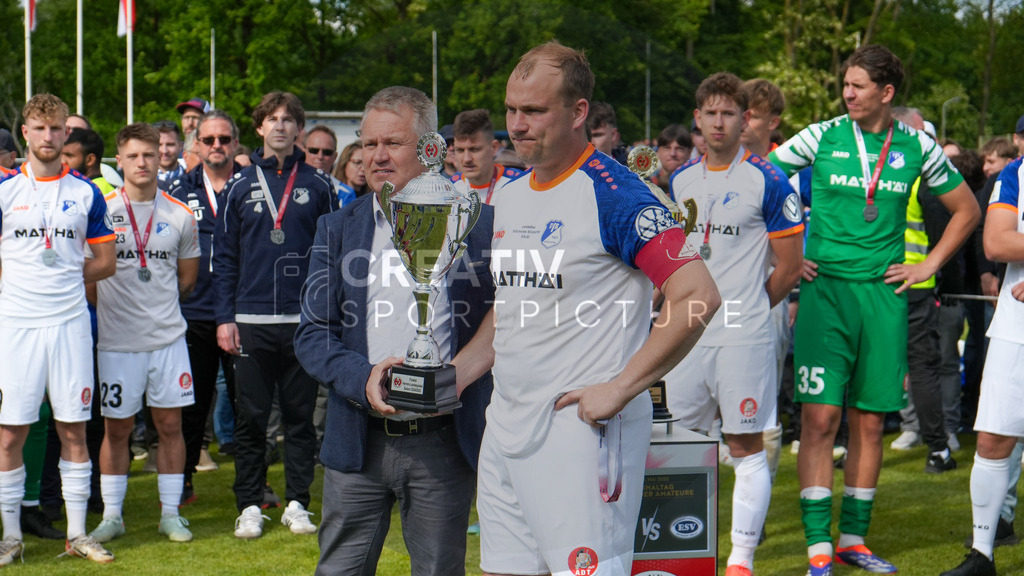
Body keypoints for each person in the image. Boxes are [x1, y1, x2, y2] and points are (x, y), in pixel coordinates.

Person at [451, 40, 720, 576]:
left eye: (533, 111)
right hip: (504, 425)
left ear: (578, 113)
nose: (517, 125)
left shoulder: (619, 193)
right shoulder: (511, 193)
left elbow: (698, 296)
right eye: (511, 110)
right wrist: (454, 376)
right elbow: (512, 305)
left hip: (582, 431)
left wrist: (621, 387)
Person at [769, 44, 979, 576]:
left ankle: (852, 540)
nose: (847, 93)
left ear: (886, 93)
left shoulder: (918, 146)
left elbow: (967, 210)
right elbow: (761, 182)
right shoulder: (821, 134)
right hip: (826, 294)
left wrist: (925, 265)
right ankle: (818, 544)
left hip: (884, 299)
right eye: (845, 84)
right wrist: (790, 256)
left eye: (858, 86)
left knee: (867, 423)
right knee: (819, 419)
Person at [294, 85, 495, 576]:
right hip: (357, 434)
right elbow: (312, 333)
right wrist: (362, 378)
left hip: (444, 440)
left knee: (438, 570)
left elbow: (508, 319)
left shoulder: (479, 225)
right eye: (368, 143)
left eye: (394, 143)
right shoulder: (337, 228)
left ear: (430, 148)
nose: (377, 156)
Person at [665, 72, 804, 576]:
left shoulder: (769, 179)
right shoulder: (679, 181)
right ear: (697, 118)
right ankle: (680, 553)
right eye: (710, 113)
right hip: (687, 334)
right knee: (679, 442)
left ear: (745, 120)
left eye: (729, 113)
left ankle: (741, 562)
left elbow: (788, 268)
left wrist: (745, 306)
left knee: (745, 447)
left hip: (744, 335)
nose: (718, 122)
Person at [0, 93, 117, 564]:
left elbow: (105, 262)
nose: (48, 137)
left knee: (73, 427)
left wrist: (65, 275)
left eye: (56, 129)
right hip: (18, 325)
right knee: (10, 433)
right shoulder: (5, 189)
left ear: (66, 134)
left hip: (70, 323)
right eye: (39, 128)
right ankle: (10, 536)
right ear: (24, 132)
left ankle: (76, 533)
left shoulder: (86, 192)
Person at [214, 91, 334, 539]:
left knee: (301, 420)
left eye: (289, 120)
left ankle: (298, 502)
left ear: (299, 129)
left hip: (303, 323)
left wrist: (325, 316)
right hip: (251, 322)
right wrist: (226, 318)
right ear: (260, 128)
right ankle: (248, 503)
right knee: (252, 419)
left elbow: (332, 257)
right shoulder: (238, 187)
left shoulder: (320, 185)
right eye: (272, 119)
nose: (281, 126)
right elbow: (223, 258)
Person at [87, 123, 200, 545]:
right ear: (120, 159)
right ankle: (112, 515)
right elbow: (91, 281)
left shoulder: (179, 214)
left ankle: (170, 514)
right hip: (117, 342)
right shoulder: (101, 211)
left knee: (170, 426)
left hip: (168, 341)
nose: (141, 163)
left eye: (149, 155)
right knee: (116, 430)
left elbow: (187, 280)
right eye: (132, 156)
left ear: (160, 157)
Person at [939, 155, 1024, 576]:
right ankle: (983, 554)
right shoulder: (1016, 172)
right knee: (992, 440)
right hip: (1016, 325)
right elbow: (996, 243)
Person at [168, 109, 243, 505]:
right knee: (192, 406)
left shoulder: (250, 187)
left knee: (247, 406)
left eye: (224, 139)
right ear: (197, 144)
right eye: (209, 140)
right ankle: (182, 482)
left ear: (236, 143)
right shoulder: (179, 191)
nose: (217, 146)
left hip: (239, 312)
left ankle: (251, 486)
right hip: (194, 313)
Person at [451, 108, 522, 205]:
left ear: (494, 148)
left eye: (474, 149)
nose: (467, 159)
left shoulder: (517, 185)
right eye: (460, 150)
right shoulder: (449, 188)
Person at [303, 125, 356, 208]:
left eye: (327, 152)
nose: (320, 156)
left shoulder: (345, 194)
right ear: (303, 152)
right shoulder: (289, 186)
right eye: (314, 151)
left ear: (335, 156)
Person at [62, 128, 115, 194]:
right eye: (60, 155)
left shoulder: (94, 192)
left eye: (69, 155)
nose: (62, 161)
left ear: (90, 160)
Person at [653, 124, 692, 191]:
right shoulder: (647, 186)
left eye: (679, 148)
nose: (672, 153)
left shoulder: (696, 184)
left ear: (689, 152)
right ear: (658, 151)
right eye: (667, 148)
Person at [154, 121, 185, 185]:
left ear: (180, 146)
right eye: (159, 145)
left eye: (170, 145)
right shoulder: (143, 182)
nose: (164, 151)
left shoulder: (194, 180)